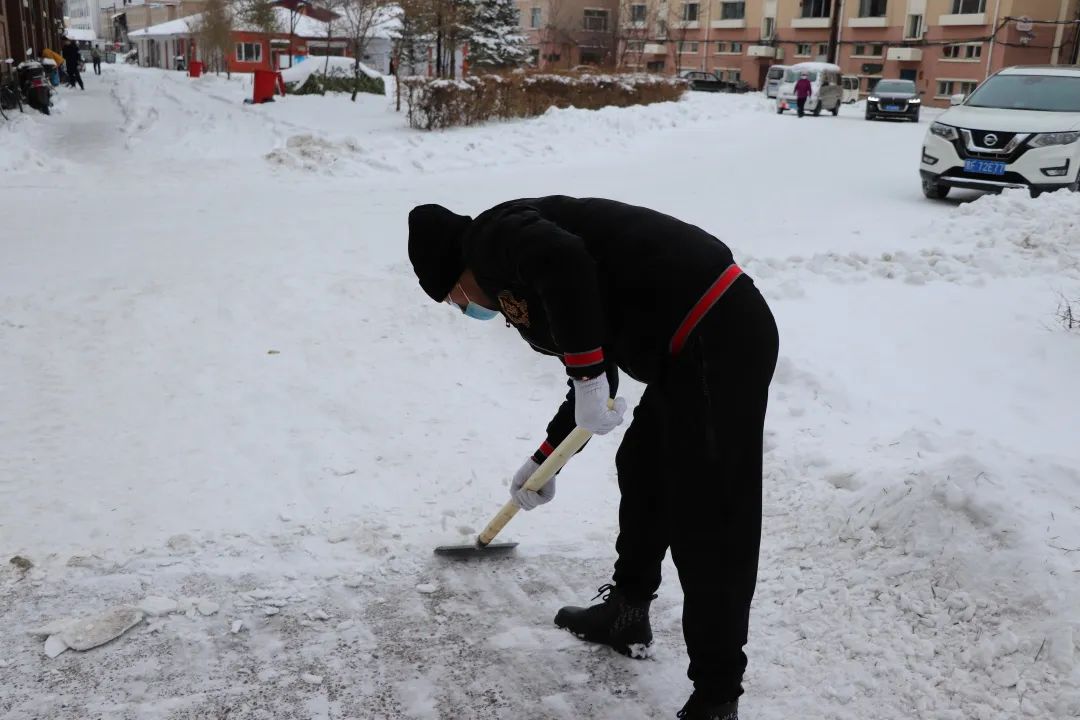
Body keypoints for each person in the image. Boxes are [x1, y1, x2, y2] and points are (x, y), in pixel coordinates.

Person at [408, 197, 779, 720]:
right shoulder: (517, 277)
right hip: (685, 350)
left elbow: (564, 262)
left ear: (458, 273)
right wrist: (544, 463)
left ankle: (717, 697)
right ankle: (628, 608)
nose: (461, 305)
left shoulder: (495, 238)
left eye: (451, 295)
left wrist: (586, 376)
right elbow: (590, 379)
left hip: (721, 330)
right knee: (644, 466)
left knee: (709, 514)